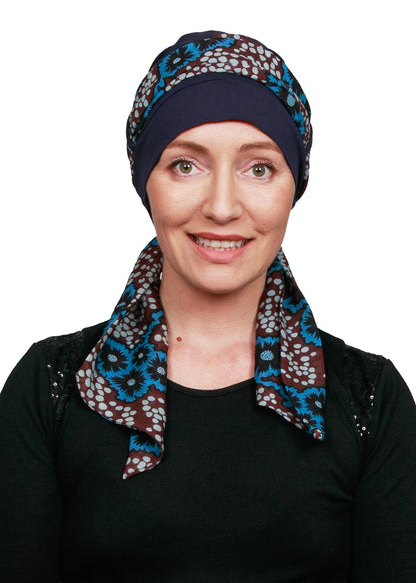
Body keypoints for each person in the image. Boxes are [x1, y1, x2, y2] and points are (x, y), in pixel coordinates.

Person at [0, 31, 415, 583]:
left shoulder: (371, 399)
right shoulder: (51, 387)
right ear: (146, 182)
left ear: (294, 186)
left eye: (259, 168)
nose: (221, 207)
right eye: (185, 166)